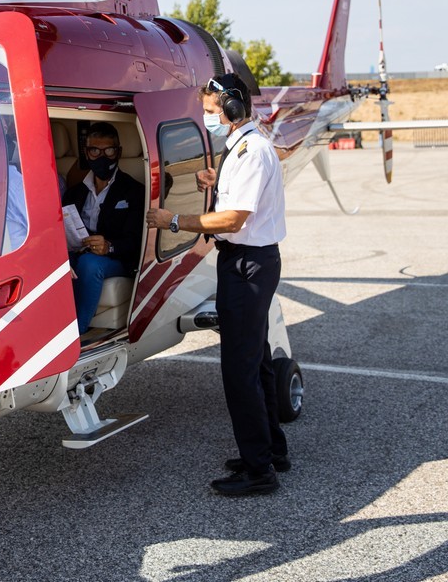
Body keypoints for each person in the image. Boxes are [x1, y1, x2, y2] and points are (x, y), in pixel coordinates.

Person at [145, 73, 288, 497]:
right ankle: (272, 449)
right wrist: (216, 182)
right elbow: (239, 200)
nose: (207, 118)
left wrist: (173, 219)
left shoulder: (251, 151)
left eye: (210, 111)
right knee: (257, 360)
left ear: (231, 108)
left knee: (238, 371)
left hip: (246, 265)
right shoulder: (243, 147)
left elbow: (232, 220)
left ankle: (258, 470)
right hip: (250, 262)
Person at [61, 122, 144, 334]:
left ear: (119, 152)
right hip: (79, 252)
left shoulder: (134, 191)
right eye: (95, 151)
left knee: (89, 263)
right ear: (87, 153)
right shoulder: (74, 193)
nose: (102, 157)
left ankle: (76, 332)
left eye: (109, 150)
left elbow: (137, 241)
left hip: (117, 259)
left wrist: (109, 246)